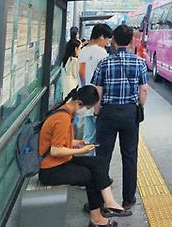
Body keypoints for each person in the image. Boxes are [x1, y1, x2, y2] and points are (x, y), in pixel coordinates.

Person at [38, 86, 129, 227]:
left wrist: (77, 143)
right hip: (51, 169)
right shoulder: (62, 118)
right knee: (90, 176)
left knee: (99, 162)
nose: (88, 111)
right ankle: (97, 218)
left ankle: (108, 202)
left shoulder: (65, 111)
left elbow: (58, 141)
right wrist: (81, 151)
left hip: (61, 161)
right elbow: (55, 150)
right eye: (88, 108)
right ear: (79, 103)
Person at [92, 25, 148, 210]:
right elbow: (144, 90)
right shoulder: (139, 62)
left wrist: (97, 112)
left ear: (114, 40)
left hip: (108, 113)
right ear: (132, 41)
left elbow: (98, 91)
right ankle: (128, 199)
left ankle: (100, 200)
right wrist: (139, 105)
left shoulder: (104, 63)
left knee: (102, 157)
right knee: (130, 156)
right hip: (129, 113)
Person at [77, 23, 113, 152]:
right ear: (101, 36)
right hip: (98, 99)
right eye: (107, 39)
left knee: (88, 135)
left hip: (85, 97)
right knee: (100, 136)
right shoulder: (101, 52)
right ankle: (95, 165)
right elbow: (105, 78)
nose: (108, 43)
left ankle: (88, 162)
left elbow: (81, 73)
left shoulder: (83, 50)